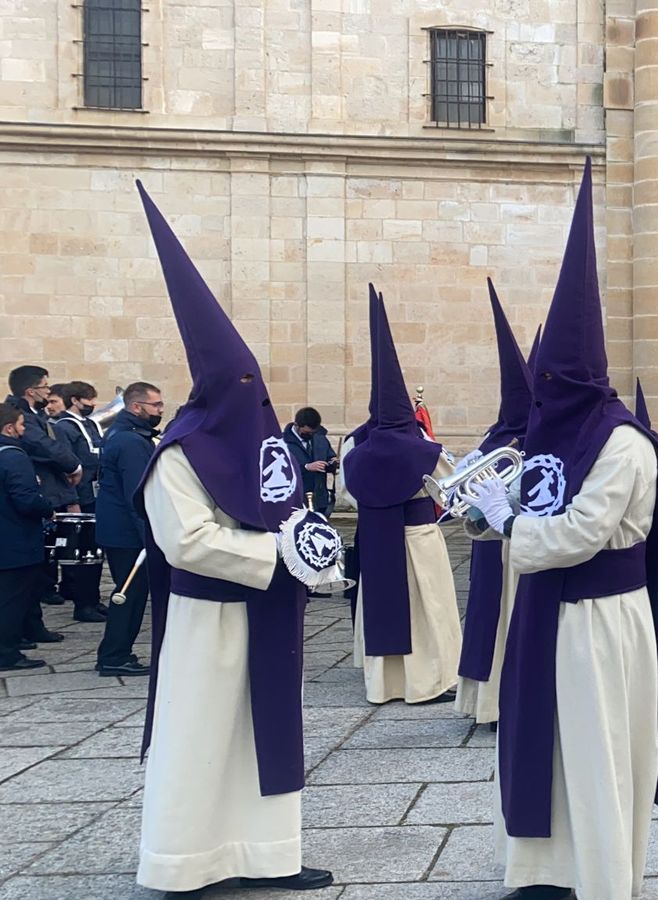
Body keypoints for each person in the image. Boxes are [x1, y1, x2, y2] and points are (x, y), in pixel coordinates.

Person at [458, 160, 658, 900]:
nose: (539, 399)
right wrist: (485, 508)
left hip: (600, 621)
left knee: (595, 746)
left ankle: (601, 875)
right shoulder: (551, 438)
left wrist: (514, 520)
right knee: (543, 743)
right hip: (548, 613)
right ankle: (542, 871)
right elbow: (527, 513)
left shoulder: (623, 443)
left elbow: (579, 532)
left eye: (550, 385)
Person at [132, 181, 335, 896]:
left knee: (262, 740)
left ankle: (268, 853)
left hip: (265, 615)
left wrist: (312, 551)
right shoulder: (178, 455)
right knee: (202, 739)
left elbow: (284, 509)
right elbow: (186, 542)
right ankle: (187, 863)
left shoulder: (263, 447)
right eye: (242, 383)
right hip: (207, 618)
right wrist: (272, 556)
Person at [343, 286, 462, 706]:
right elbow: (453, 488)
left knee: (383, 609)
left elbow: (348, 493)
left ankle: (384, 685)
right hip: (419, 538)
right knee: (427, 613)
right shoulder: (422, 448)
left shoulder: (355, 449)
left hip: (374, 539)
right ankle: (428, 683)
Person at [456, 281, 534, 726]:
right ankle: (502, 702)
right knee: (501, 621)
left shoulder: (493, 438)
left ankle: (486, 704)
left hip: (500, 540)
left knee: (493, 620)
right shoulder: (513, 441)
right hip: (504, 543)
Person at [94, 382, 163, 677]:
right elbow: (137, 494)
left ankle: (116, 653)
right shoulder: (131, 442)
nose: (161, 410)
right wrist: (148, 535)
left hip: (122, 531)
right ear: (136, 407)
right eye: (156, 405)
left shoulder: (130, 435)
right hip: (127, 533)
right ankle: (114, 655)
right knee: (128, 595)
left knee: (131, 595)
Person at [5, 365, 83, 610]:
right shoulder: (20, 414)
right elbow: (43, 445)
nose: (48, 392)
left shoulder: (33, 413)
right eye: (45, 387)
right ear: (31, 391)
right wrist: (74, 465)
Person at [0, 404, 53, 672]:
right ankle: (7, 653)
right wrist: (48, 507)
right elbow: (26, 501)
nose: (24, 430)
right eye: (22, 425)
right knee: (12, 599)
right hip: (15, 540)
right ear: (9, 428)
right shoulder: (14, 456)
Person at [51, 381, 108, 622]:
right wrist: (71, 500)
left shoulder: (89, 424)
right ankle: (83, 604)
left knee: (95, 553)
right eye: (88, 400)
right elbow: (66, 466)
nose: (92, 405)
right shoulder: (64, 427)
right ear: (74, 400)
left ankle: (93, 599)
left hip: (95, 494)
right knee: (82, 554)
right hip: (81, 496)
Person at [284, 407, 337, 517]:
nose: (311, 435)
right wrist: (306, 467)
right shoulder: (282, 442)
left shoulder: (320, 438)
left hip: (319, 496)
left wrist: (332, 462)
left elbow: (330, 456)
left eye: (313, 432)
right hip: (296, 499)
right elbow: (283, 469)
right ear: (296, 425)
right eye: (307, 432)